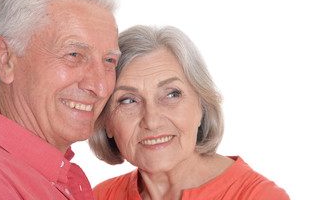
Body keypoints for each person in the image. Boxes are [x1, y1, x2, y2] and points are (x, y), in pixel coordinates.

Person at [0, 0, 121, 199]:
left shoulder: (51, 174)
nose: (99, 87)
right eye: (74, 55)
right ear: (5, 60)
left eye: (108, 61)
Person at [89, 25, 290, 199]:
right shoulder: (98, 197)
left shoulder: (259, 197)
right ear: (106, 121)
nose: (152, 121)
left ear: (201, 105)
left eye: (171, 95)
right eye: (129, 100)